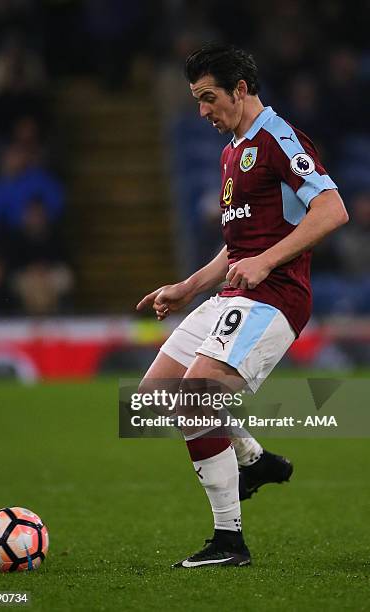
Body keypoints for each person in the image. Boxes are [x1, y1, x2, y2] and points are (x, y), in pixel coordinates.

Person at [137, 43, 348, 569]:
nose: (202, 111)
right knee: (154, 394)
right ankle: (252, 459)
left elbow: (332, 209)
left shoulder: (279, 138)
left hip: (276, 297)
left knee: (194, 398)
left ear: (240, 90)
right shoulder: (234, 148)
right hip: (236, 293)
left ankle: (229, 541)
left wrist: (265, 262)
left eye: (209, 98)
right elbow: (241, 243)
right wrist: (187, 287)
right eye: (196, 101)